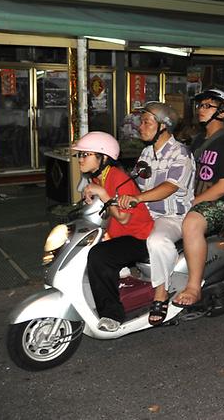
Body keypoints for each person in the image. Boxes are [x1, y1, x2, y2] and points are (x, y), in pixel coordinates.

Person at [117, 102, 195, 326]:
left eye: (146, 122)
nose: (140, 127)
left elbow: (170, 187)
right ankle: (124, 277)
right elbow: (133, 182)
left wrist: (138, 199)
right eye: (141, 122)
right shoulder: (146, 152)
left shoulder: (180, 153)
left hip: (173, 216)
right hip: (147, 212)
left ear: (163, 126)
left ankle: (161, 293)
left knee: (157, 240)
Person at [74, 132, 154, 332]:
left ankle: (112, 315)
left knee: (99, 256)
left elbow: (124, 217)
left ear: (103, 157)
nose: (80, 159)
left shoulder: (118, 179)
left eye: (86, 154)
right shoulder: (98, 177)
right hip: (119, 234)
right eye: (79, 155)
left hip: (140, 237)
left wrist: (102, 194)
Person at [172, 89, 224, 307]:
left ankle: (193, 287)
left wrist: (193, 202)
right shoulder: (198, 141)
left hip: (223, 204)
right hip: (197, 200)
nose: (201, 110)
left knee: (192, 223)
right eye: (200, 106)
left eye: (208, 106)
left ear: (221, 113)